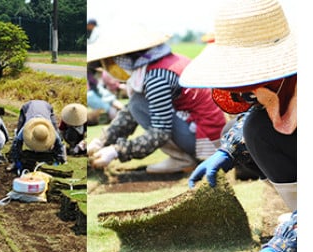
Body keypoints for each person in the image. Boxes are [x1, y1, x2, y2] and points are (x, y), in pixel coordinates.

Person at [179, 0, 297, 252]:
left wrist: (282, 246)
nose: (247, 94)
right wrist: (227, 152)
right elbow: (252, 115)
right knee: (253, 126)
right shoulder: (285, 87)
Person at [87, 24, 227, 174]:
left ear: (127, 58)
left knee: (137, 104)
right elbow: (129, 114)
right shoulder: (161, 63)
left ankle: (182, 158)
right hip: (202, 128)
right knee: (136, 104)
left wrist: (117, 150)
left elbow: (161, 131)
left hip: (204, 136)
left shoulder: (156, 78)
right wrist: (103, 140)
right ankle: (182, 156)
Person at [6, 99, 67, 173]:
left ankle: (54, 154)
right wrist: (16, 160)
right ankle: (13, 162)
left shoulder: (52, 131)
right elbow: (17, 142)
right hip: (28, 106)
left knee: (56, 130)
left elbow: (60, 144)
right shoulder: (26, 128)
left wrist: (61, 160)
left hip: (46, 107)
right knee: (18, 131)